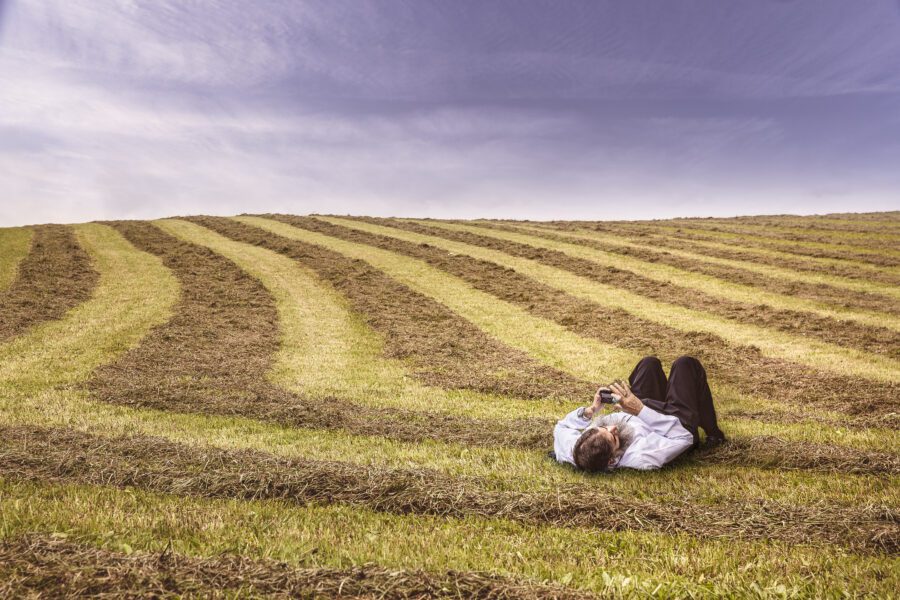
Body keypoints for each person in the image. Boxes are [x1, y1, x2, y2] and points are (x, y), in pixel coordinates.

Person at [553, 355, 726, 472]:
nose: (613, 427)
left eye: (603, 427)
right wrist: (640, 409)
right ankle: (714, 434)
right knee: (685, 364)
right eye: (614, 437)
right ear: (612, 460)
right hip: (674, 426)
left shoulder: (575, 450)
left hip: (637, 412)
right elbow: (683, 437)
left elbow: (562, 427)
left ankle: (645, 403)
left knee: (648, 363)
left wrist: (592, 410)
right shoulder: (643, 456)